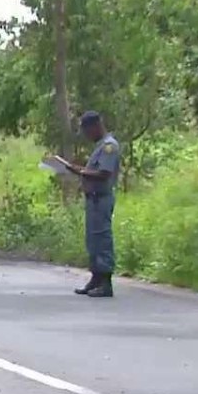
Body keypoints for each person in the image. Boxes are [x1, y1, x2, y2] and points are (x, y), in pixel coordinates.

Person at [65, 111, 121, 298]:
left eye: (88, 132)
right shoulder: (99, 146)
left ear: (96, 126)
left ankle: (105, 282)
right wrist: (80, 170)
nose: (87, 136)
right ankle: (95, 278)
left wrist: (79, 171)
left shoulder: (109, 147)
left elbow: (104, 173)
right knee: (93, 240)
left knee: (102, 239)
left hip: (101, 198)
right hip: (93, 199)